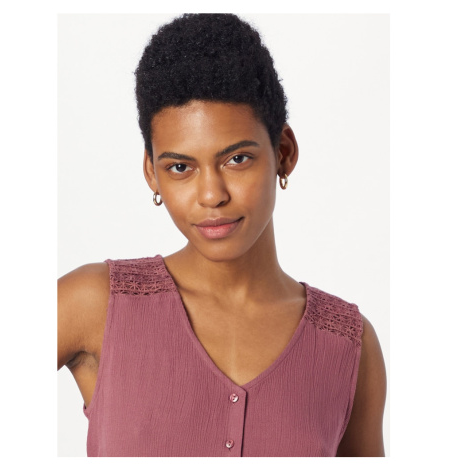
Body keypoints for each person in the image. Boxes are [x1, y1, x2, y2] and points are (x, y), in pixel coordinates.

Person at [58, 13, 387, 457]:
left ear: (284, 153)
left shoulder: (348, 346)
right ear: (152, 173)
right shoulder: (94, 304)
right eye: (180, 167)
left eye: (237, 160)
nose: (211, 195)